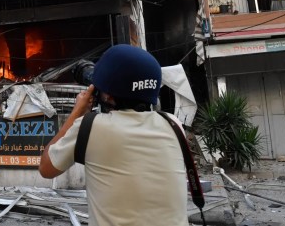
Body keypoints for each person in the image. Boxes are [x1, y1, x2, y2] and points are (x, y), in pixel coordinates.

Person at [39, 44, 188, 226]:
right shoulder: (173, 124)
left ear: (108, 96)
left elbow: (46, 168)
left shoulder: (91, 126)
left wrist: (77, 112)